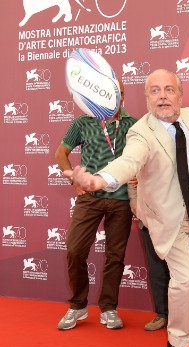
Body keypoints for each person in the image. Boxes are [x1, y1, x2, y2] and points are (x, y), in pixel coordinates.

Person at [65, 69, 189, 347]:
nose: (163, 96)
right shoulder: (141, 133)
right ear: (147, 97)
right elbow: (128, 162)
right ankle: (178, 341)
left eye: (169, 90)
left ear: (180, 95)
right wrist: (100, 180)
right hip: (170, 219)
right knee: (185, 279)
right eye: (155, 91)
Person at [54, 81, 136, 331]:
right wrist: (74, 181)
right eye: (113, 93)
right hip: (90, 197)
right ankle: (78, 306)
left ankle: (109, 308)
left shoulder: (133, 124)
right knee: (74, 249)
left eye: (121, 94)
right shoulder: (82, 122)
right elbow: (61, 153)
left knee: (115, 256)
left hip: (121, 199)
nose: (117, 98)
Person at [128, 178, 189, 333]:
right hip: (150, 217)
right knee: (156, 266)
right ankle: (163, 314)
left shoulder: (186, 152)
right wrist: (134, 202)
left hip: (181, 217)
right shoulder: (141, 153)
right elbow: (132, 178)